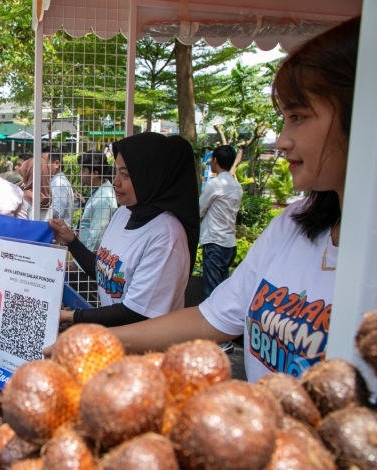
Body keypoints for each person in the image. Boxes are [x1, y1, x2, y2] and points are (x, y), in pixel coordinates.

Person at [103, 17, 359, 383]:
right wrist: (91, 340)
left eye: (298, 116)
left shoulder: (167, 231)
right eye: (284, 119)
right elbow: (214, 316)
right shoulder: (293, 223)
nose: (282, 140)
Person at [50, 132, 199, 327]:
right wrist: (72, 242)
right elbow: (106, 271)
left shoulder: (166, 236)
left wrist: (72, 316)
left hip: (145, 353)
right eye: (117, 171)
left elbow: (135, 312)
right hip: (117, 344)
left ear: (151, 177)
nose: (116, 181)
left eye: (126, 174)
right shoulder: (123, 214)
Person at [199, 145, 243, 298]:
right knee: (222, 289)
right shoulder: (237, 186)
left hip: (214, 243)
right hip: (229, 244)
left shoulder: (214, 184)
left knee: (212, 292)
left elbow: (199, 209)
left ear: (215, 160)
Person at [77, 152, 118, 251]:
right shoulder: (98, 191)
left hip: (88, 261)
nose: (80, 174)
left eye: (83, 171)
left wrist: (79, 263)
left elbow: (96, 238)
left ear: (95, 173)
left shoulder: (102, 199)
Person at [44, 146, 75, 226]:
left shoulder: (58, 183)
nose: (41, 167)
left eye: (44, 163)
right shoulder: (55, 181)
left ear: (56, 164)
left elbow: (57, 215)